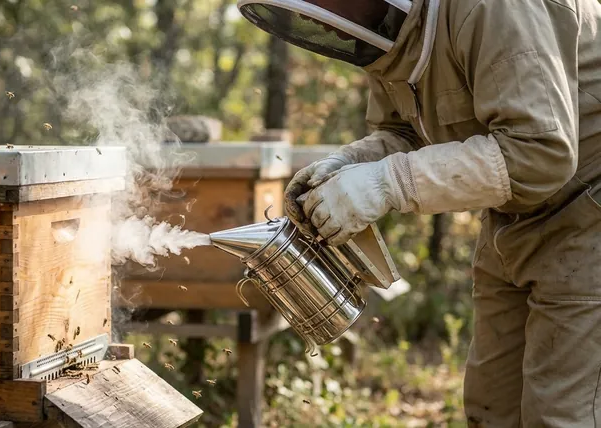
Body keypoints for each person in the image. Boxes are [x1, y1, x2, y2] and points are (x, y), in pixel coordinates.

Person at [237, 0, 601, 426]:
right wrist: (351, 164)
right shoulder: (396, 38)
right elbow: (404, 131)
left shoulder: (496, 7)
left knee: (561, 413)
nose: (331, 31)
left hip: (589, 212)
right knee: (491, 406)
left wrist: (386, 183)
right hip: (513, 221)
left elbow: (540, 153)